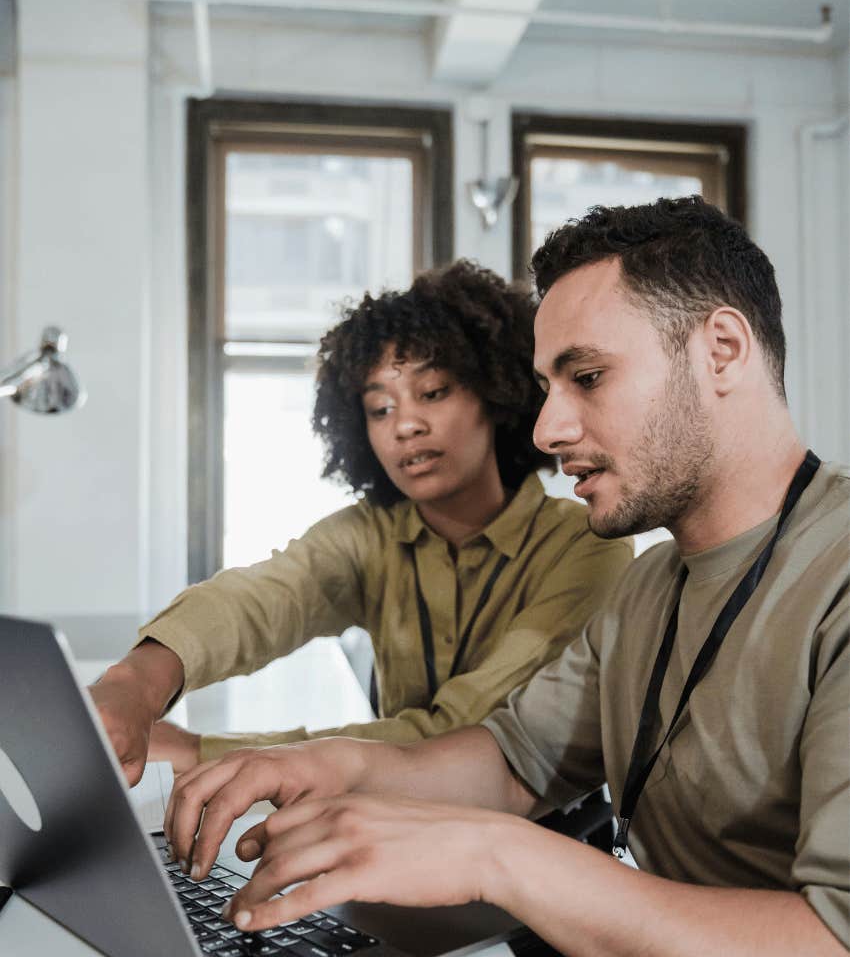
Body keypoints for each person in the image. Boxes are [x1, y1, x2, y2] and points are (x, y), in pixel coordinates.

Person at [161, 198, 849, 957]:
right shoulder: (650, 586)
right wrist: (323, 768)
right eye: (544, 385)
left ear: (722, 350)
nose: (551, 426)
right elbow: (511, 761)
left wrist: (499, 856)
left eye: (587, 377)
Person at [91, 259, 631, 787]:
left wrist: (202, 754)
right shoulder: (371, 534)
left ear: (495, 394)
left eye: (433, 392)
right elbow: (262, 600)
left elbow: (465, 734)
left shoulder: (585, 545)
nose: (406, 425)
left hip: (537, 835)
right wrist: (136, 680)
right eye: (379, 409)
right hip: (383, 823)